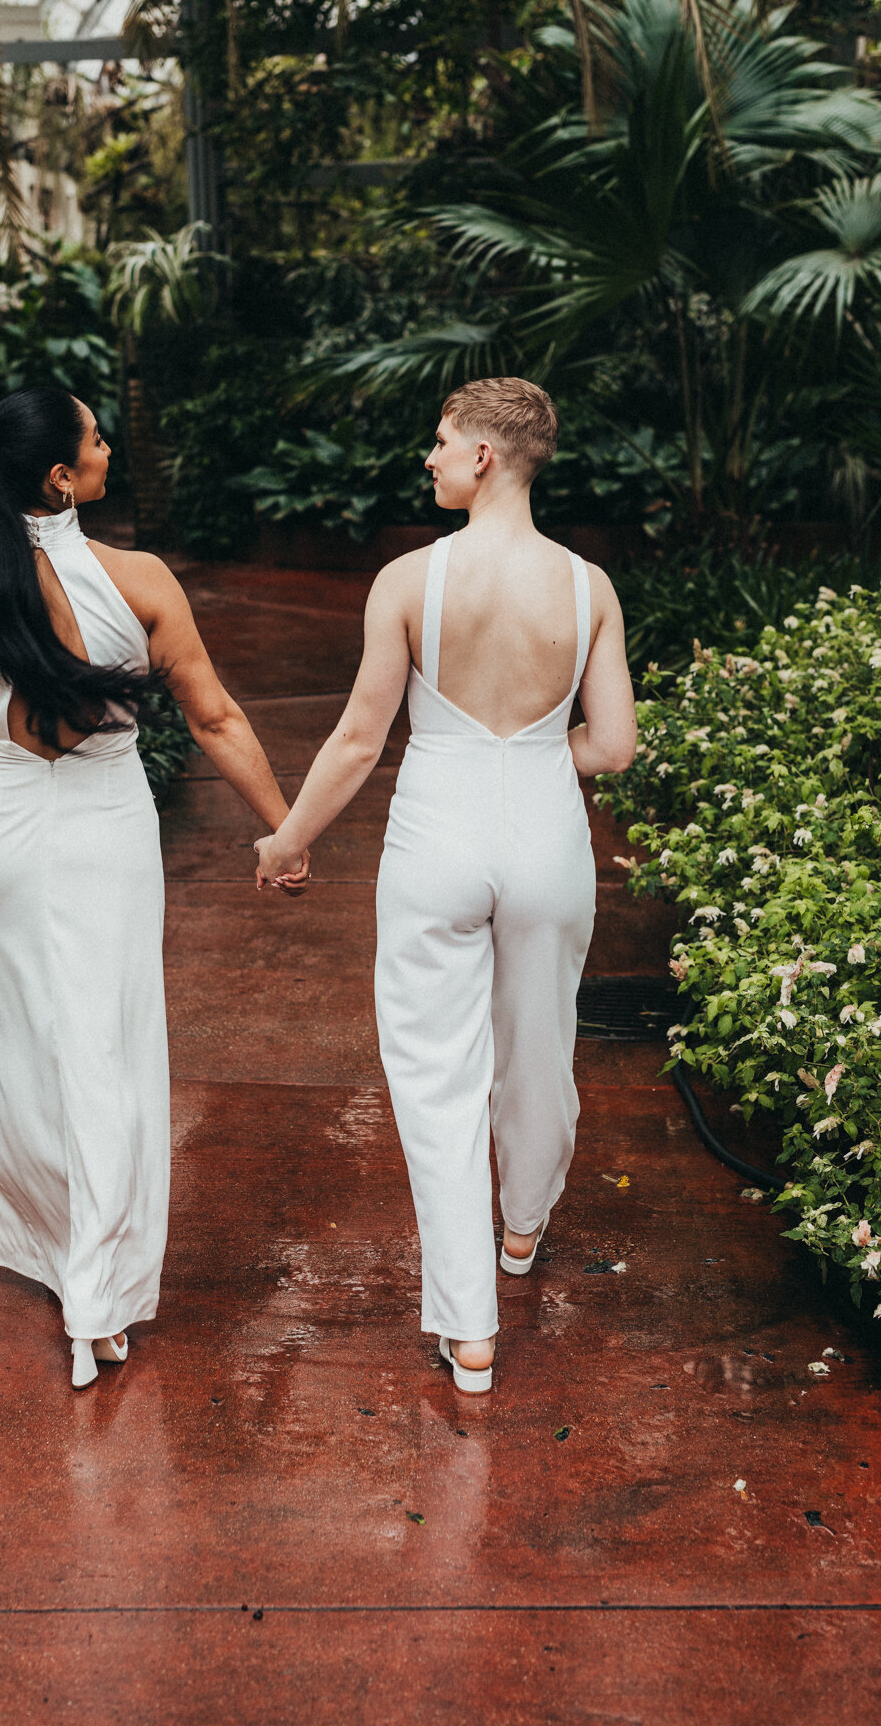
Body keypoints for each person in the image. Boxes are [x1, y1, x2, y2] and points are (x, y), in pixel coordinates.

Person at [0, 386, 307, 1391]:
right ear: (58, 476)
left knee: (22, 1043)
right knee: (106, 1049)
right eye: (93, 436)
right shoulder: (138, 579)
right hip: (102, 828)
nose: (108, 445)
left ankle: (54, 1252)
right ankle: (98, 1299)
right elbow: (214, 722)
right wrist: (284, 831)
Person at [254, 378, 637, 1392]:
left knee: (435, 1076)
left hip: (437, 841)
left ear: (484, 458)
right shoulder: (588, 587)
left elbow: (357, 743)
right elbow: (618, 745)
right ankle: (524, 1229)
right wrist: (547, 749)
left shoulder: (407, 583)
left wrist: (287, 839)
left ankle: (469, 1328)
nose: (427, 459)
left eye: (440, 442)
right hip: (549, 838)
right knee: (542, 1045)